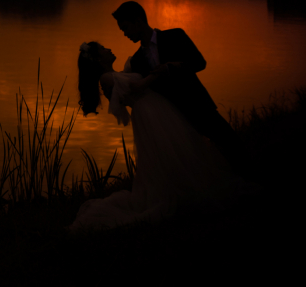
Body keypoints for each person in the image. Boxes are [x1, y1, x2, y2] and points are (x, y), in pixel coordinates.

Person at [69, 42, 248, 231]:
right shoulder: (106, 78)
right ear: (98, 59)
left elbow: (134, 81)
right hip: (149, 115)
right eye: (104, 49)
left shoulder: (118, 73)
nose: (109, 49)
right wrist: (159, 72)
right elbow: (137, 87)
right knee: (165, 153)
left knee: (177, 150)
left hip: (157, 109)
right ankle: (174, 195)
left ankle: (185, 188)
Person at [112, 1, 240, 168]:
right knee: (196, 163)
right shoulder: (136, 61)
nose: (125, 34)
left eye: (126, 28)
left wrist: (172, 67)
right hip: (173, 119)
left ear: (138, 22)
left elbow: (199, 63)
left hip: (199, 105)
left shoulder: (175, 36)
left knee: (231, 145)